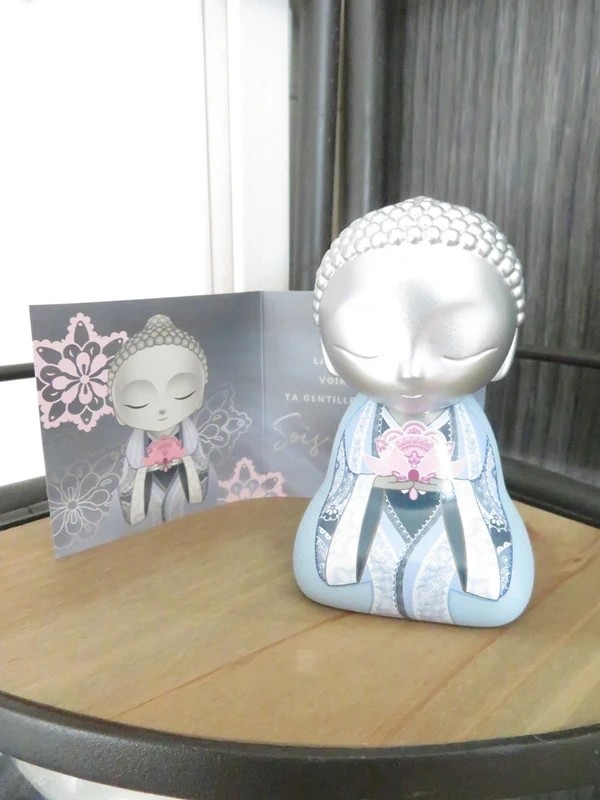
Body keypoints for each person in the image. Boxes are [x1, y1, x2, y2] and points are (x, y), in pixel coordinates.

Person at [293, 197, 534, 627]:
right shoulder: (361, 420)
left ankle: (460, 593)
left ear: (507, 349)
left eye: (456, 342)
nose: (410, 370)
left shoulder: (469, 426)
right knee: (332, 558)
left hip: (452, 533)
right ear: (327, 349)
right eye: (365, 338)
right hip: (369, 529)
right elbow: (344, 487)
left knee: (485, 574)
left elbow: (482, 494)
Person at [108, 314, 209, 525]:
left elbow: (208, 479)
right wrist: (143, 471)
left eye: (182, 392)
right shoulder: (133, 453)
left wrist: (186, 462)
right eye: (139, 400)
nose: (162, 408)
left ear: (200, 395)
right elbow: (123, 489)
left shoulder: (193, 441)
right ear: (116, 409)